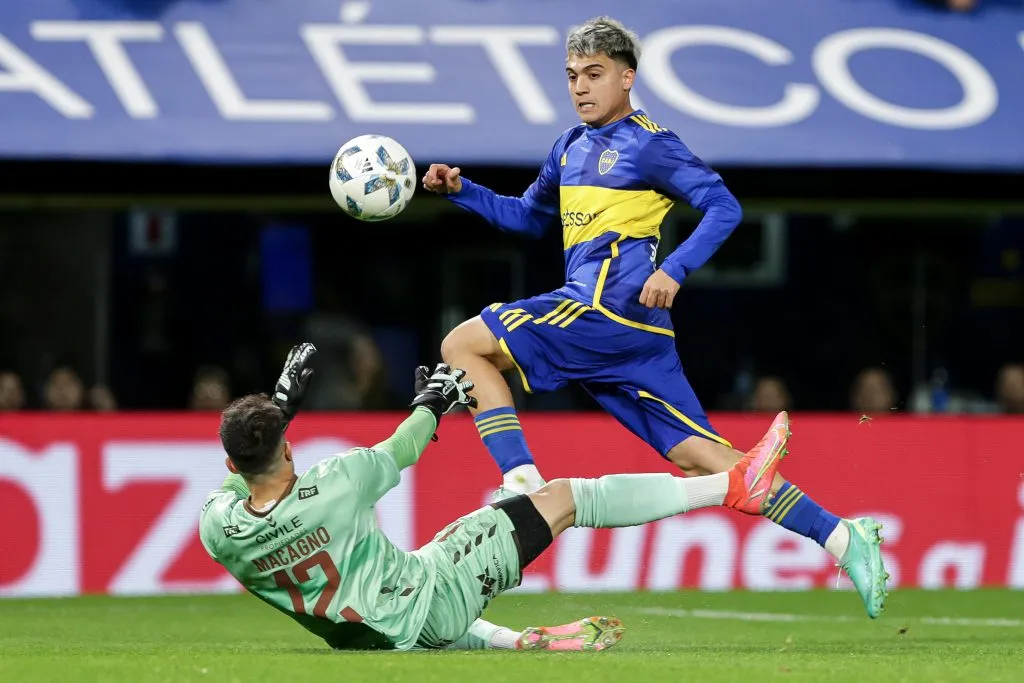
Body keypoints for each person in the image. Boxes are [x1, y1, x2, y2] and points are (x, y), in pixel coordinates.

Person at [422, 15, 888, 619]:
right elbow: (525, 219)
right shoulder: (567, 147)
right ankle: (845, 537)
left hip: (603, 311)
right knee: (715, 465)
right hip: (636, 336)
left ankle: (521, 483)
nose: (581, 87)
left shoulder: (650, 144)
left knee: (462, 344)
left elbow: (723, 205)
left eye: (594, 74)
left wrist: (675, 268)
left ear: (626, 77)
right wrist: (462, 191)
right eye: (572, 76)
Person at [199, 344, 792, 651]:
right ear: (289, 447)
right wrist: (435, 400)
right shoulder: (337, 482)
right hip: (428, 600)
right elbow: (405, 446)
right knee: (564, 498)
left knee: (430, 565)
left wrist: (279, 414)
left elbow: (242, 476)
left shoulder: (218, 528)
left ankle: (513, 640)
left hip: (378, 631)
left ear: (230, 463)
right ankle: (731, 485)